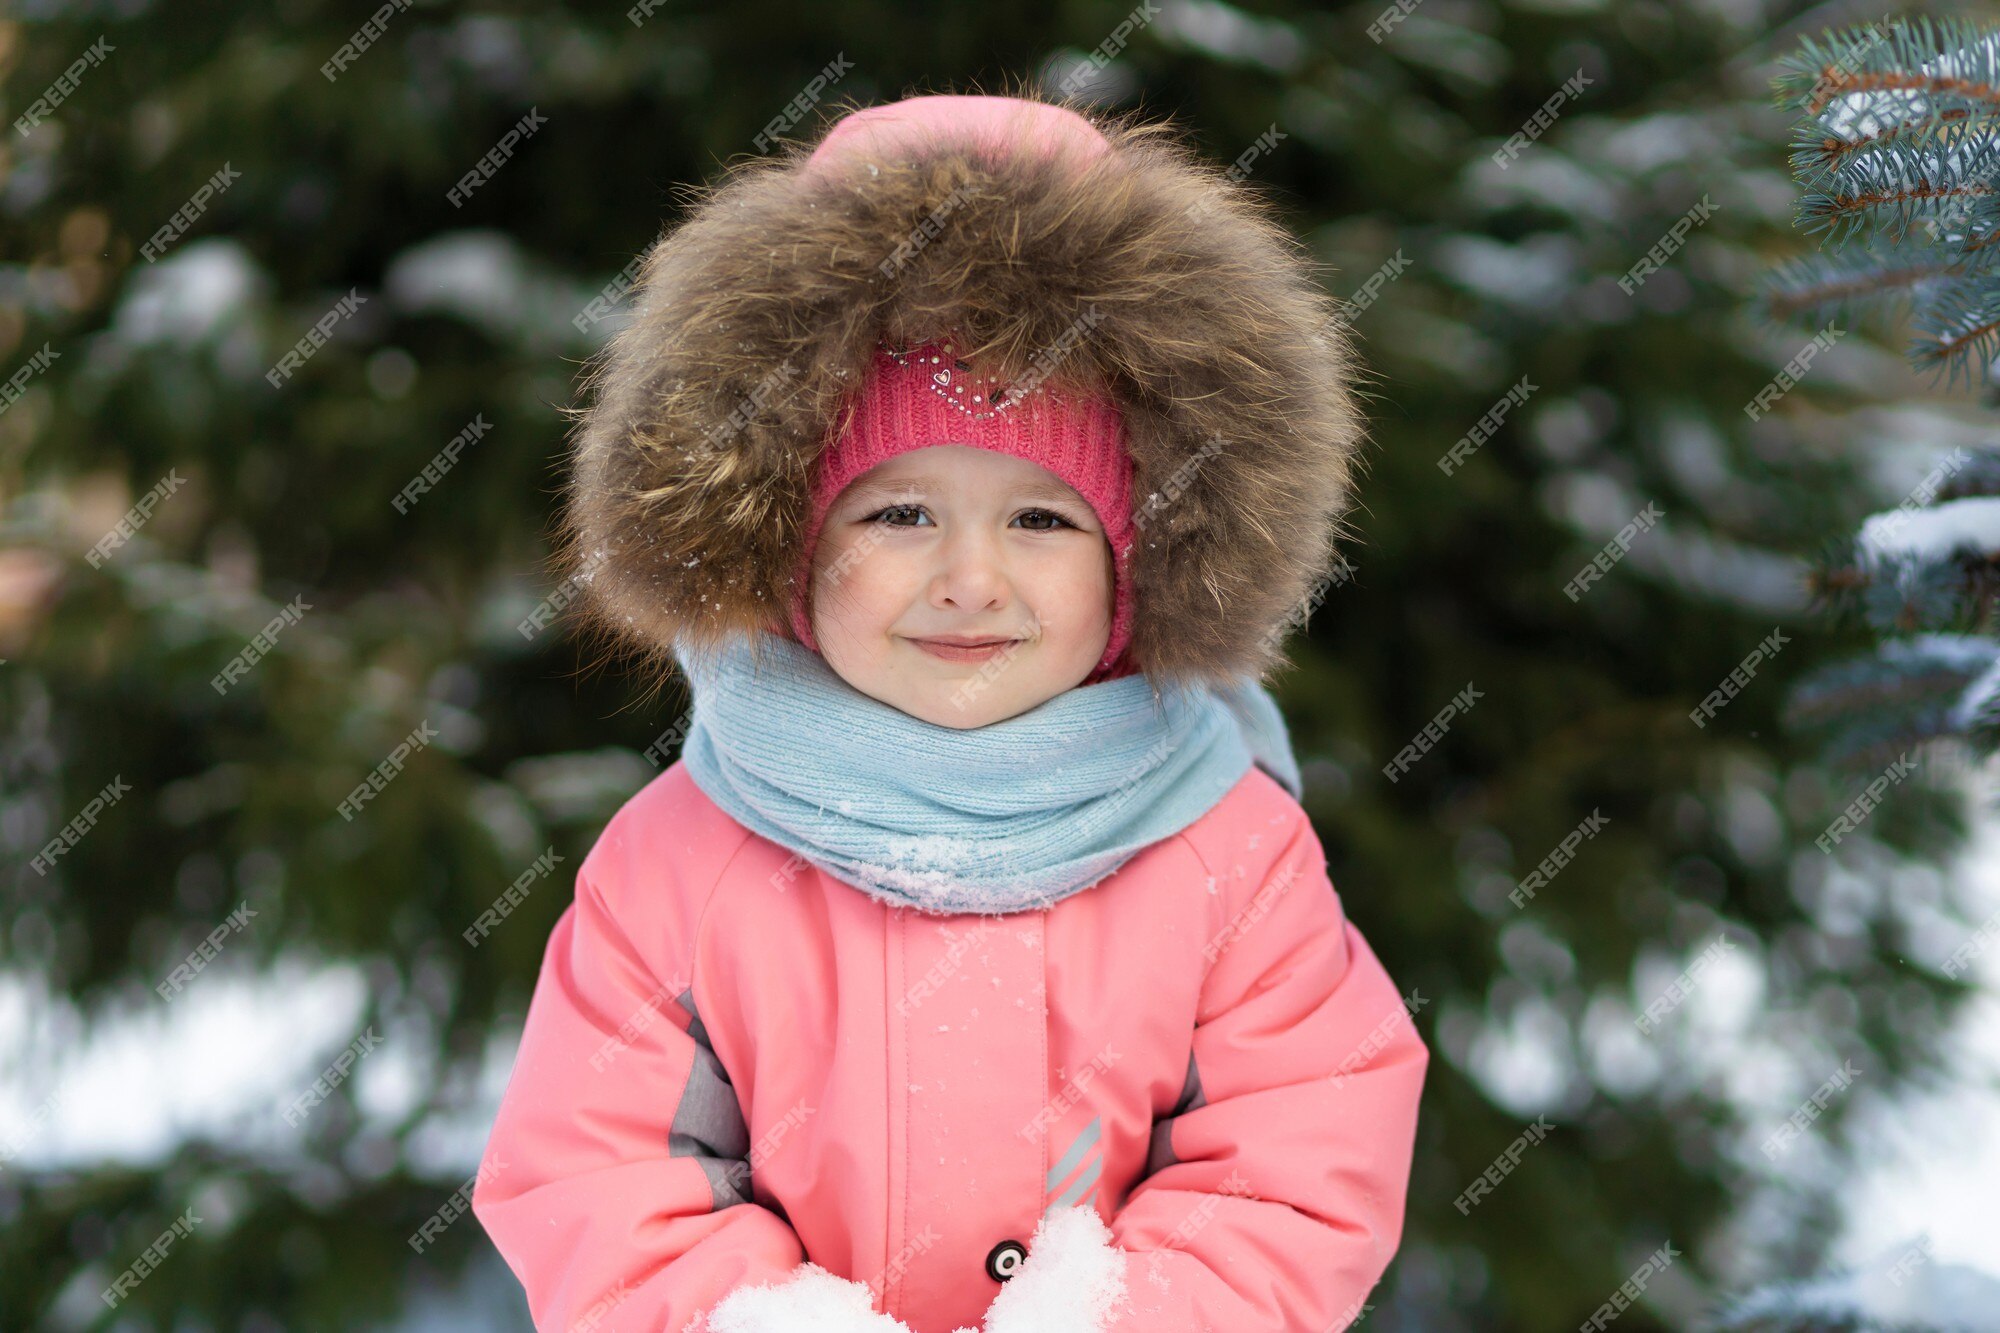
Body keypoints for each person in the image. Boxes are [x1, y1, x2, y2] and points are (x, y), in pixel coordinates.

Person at [471, 86, 1427, 1333]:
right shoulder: (682, 859)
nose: (970, 580)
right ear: (787, 550)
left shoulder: (1226, 850)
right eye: (898, 513)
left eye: (1040, 519)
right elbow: (602, 1176)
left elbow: (1296, 1161)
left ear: (1139, 562)